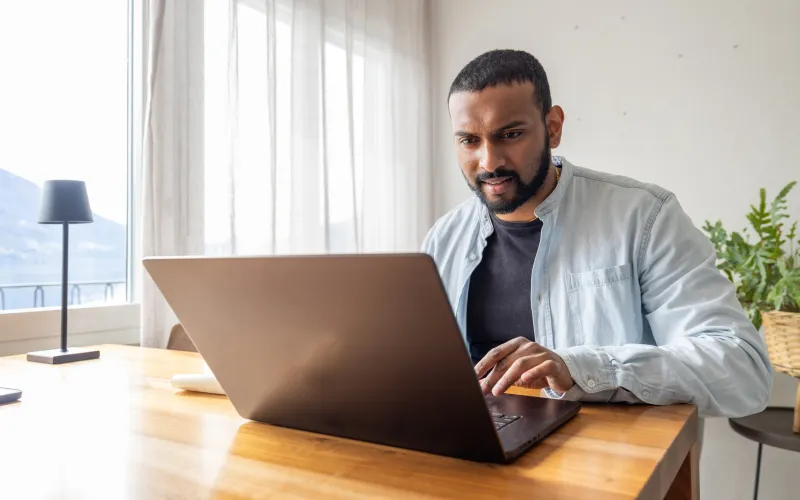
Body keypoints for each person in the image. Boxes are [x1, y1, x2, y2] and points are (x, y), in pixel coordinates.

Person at [422, 49, 772, 418]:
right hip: (479, 440)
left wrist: (579, 369)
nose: (489, 161)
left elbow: (742, 370)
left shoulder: (644, 216)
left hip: (610, 449)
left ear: (553, 127)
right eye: (469, 140)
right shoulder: (444, 238)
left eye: (510, 134)